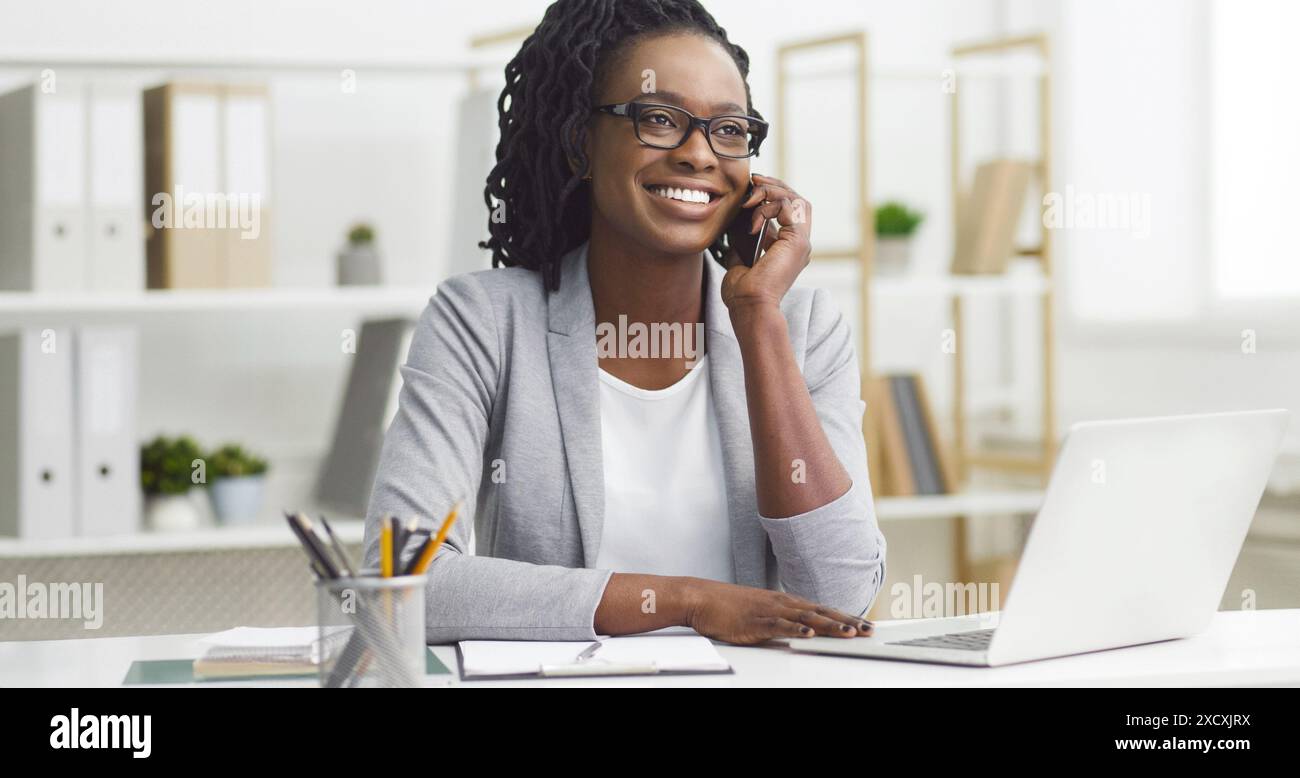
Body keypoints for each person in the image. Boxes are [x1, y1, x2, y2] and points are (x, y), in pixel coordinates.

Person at [364, 0, 886, 645]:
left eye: (729, 130)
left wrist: (757, 320)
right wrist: (687, 601)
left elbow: (839, 594)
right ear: (581, 145)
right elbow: (400, 583)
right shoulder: (485, 321)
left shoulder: (801, 326)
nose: (700, 154)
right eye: (659, 119)